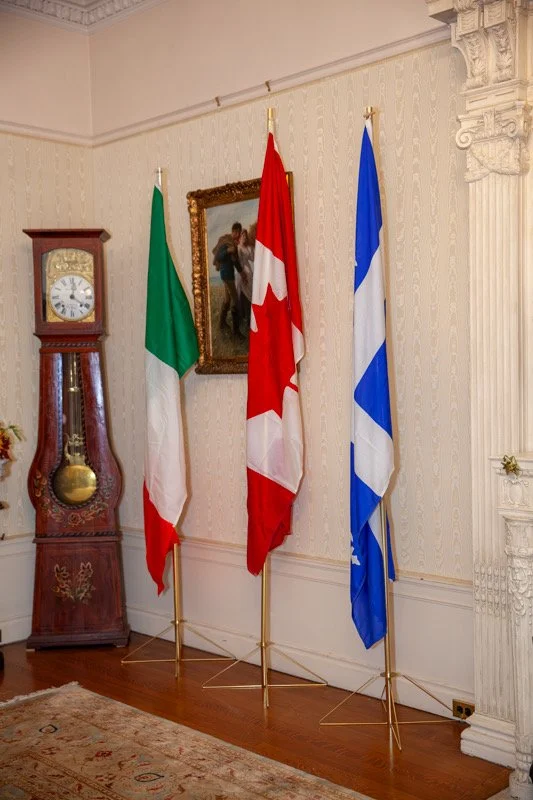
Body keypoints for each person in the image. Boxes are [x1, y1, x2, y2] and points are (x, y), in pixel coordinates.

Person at [212, 222, 247, 338]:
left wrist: (242, 273)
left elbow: (235, 262)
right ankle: (236, 332)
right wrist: (228, 251)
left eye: (238, 233)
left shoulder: (233, 244)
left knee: (227, 300)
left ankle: (221, 324)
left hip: (229, 275)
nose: (237, 236)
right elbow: (218, 257)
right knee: (235, 302)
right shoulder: (226, 242)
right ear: (234, 232)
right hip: (226, 275)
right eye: (237, 233)